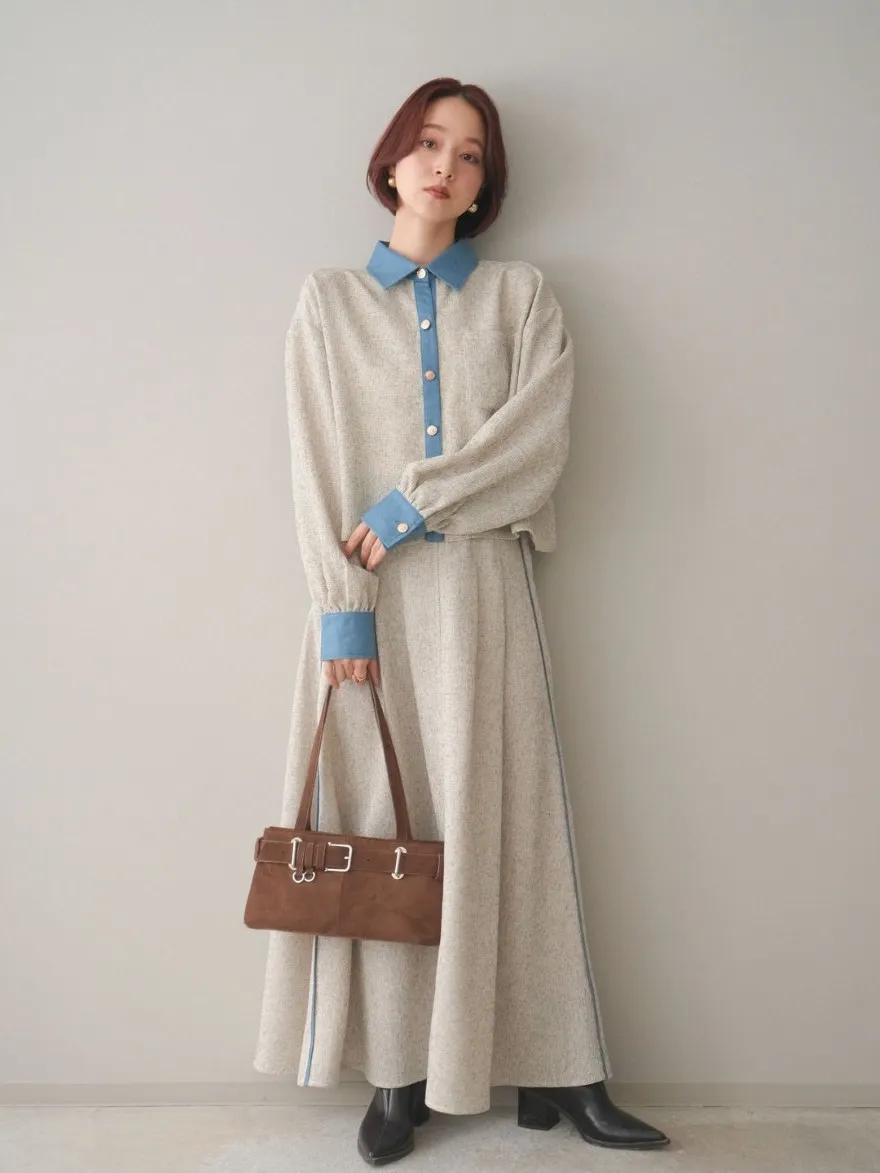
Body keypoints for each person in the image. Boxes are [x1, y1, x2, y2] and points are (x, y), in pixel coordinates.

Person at [253, 76, 670, 1165]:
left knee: (511, 828)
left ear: (486, 186)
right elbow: (313, 467)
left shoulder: (521, 299)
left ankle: (561, 1067)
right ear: (391, 162)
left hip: (484, 595)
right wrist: (342, 614)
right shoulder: (329, 304)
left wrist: (413, 504)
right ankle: (400, 1075)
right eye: (429, 144)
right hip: (371, 608)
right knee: (390, 833)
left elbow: (537, 444)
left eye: (470, 154)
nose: (445, 165)